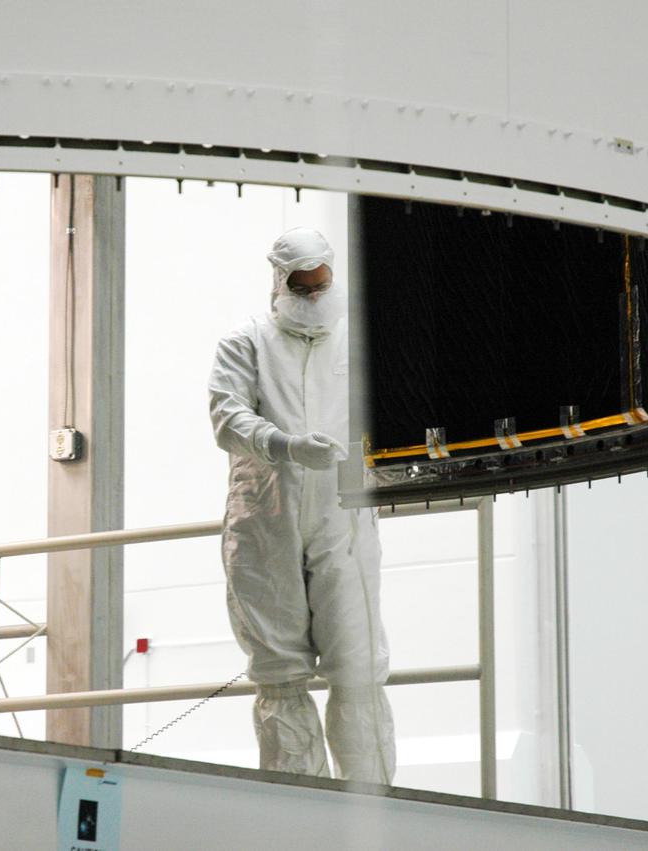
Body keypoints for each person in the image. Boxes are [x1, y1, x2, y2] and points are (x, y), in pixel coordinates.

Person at [208, 227, 396, 783]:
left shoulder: (357, 340)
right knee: (279, 675)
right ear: (279, 284)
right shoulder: (245, 342)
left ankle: (375, 811)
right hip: (266, 516)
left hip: (344, 515)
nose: (315, 298)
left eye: (322, 286)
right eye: (302, 287)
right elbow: (227, 415)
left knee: (357, 668)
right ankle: (301, 817)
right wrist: (285, 445)